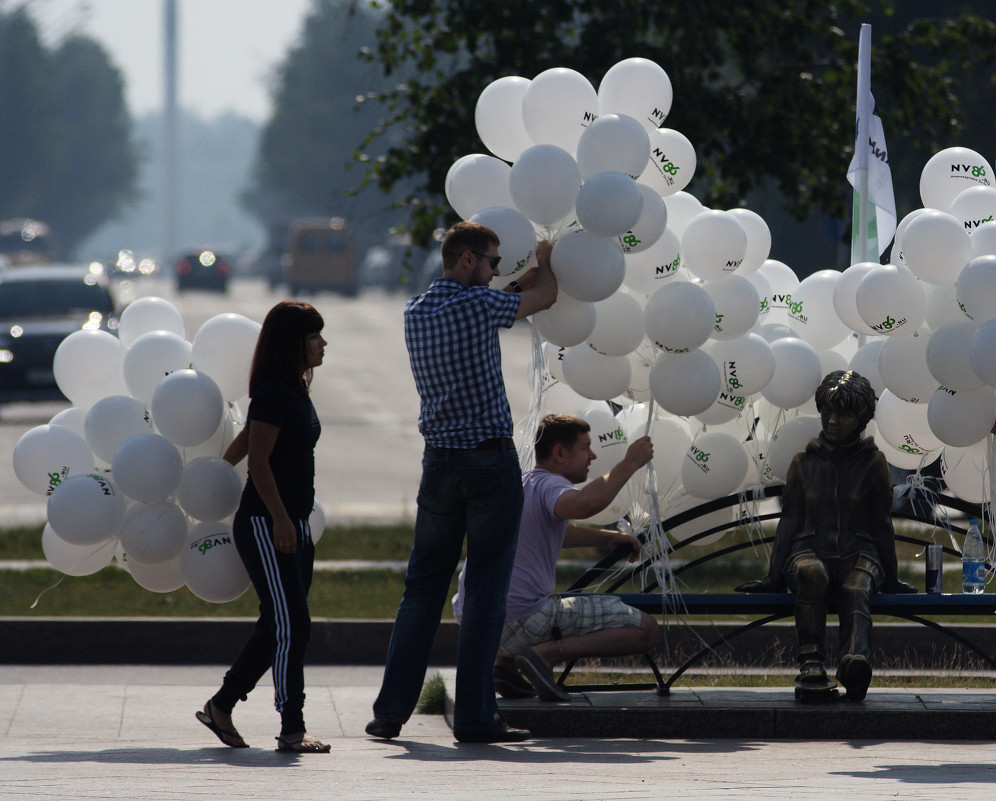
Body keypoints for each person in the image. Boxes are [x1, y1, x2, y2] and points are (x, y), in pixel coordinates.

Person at [365, 221, 557, 744]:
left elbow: (504, 296)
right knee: (486, 593)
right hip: (489, 465)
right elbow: (545, 296)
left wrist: (516, 276)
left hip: (439, 465)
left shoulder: (416, 311)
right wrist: (547, 259)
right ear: (468, 260)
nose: (498, 271)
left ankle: (389, 712)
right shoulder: (479, 308)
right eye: (493, 262)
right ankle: (476, 716)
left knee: (421, 594)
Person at [196, 300, 332, 753]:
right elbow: (260, 461)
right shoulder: (275, 392)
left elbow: (247, 439)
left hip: (292, 521)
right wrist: (277, 518)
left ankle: (222, 704)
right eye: (314, 336)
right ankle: (292, 726)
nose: (322, 344)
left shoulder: (289, 389)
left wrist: (215, 468)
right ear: (293, 342)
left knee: (278, 624)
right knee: (294, 624)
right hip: (266, 522)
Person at [736, 370, 915, 701]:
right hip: (808, 550)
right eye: (827, 412)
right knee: (811, 574)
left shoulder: (873, 463)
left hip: (860, 552)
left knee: (856, 586)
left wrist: (890, 578)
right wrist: (774, 577)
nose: (832, 421)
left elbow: (881, 525)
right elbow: (789, 521)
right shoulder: (804, 463)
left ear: (861, 419)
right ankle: (811, 665)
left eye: (844, 414)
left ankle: (854, 662)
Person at [454, 413, 659, 702]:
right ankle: (543, 656)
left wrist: (606, 538)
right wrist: (630, 463)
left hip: (477, 620)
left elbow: (550, 532)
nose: (593, 455)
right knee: (645, 630)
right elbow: (585, 504)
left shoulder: (524, 482)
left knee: (530, 593)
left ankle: (505, 667)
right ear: (559, 453)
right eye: (585, 447)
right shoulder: (551, 484)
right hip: (521, 619)